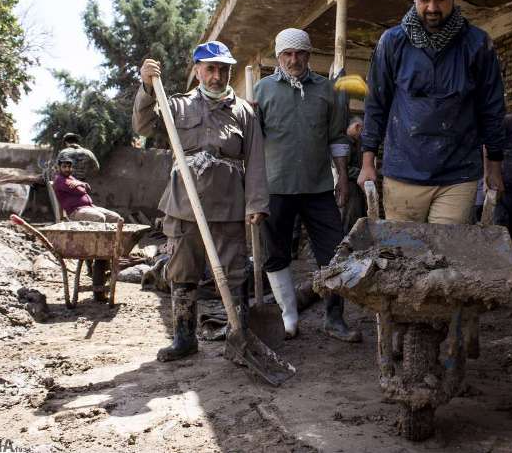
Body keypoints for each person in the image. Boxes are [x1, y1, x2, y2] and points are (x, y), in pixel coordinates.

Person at [133, 41, 269, 362]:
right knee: (182, 270)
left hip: (227, 205)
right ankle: (184, 339)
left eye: (223, 69)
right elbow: (142, 127)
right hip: (184, 205)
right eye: (210, 69)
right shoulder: (176, 106)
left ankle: (239, 335)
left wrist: (256, 203)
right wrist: (146, 87)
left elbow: (256, 161)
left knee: (234, 271)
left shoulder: (244, 113)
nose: (217, 75)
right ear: (197, 71)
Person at [357, 0, 506, 224]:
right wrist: (368, 162)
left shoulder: (477, 44)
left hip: (457, 176)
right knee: (405, 257)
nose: (432, 8)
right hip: (403, 173)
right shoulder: (392, 43)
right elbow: (376, 104)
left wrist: (494, 167)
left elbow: (491, 109)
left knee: (446, 254)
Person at [255, 28, 361, 342]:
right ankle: (288, 317)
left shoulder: (327, 91)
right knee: (276, 252)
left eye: (300, 53)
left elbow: (337, 138)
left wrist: (342, 176)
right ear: (278, 57)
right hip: (275, 187)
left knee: (335, 252)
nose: (294, 59)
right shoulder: (262, 91)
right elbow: (252, 144)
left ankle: (334, 318)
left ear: (309, 55)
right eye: (287, 54)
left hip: (318, 188)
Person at [52, 155, 121, 302]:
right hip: (76, 211)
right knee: (99, 218)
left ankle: (110, 246)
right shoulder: (59, 180)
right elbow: (80, 190)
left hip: (89, 207)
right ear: (59, 167)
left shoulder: (71, 178)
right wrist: (81, 185)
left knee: (116, 218)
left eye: (69, 166)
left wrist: (79, 184)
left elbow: (84, 187)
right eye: (64, 166)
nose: (67, 169)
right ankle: (101, 245)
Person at [492, 111, 512, 244]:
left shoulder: (509, 121)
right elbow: (490, 145)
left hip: (510, 170)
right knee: (507, 208)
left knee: (507, 209)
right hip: (509, 169)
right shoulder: (510, 120)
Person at [343, 116, 366, 235]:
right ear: (357, 127)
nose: (361, 135)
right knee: (350, 218)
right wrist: (362, 173)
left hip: (354, 186)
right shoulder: (346, 143)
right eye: (361, 131)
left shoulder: (353, 143)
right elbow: (343, 169)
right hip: (349, 186)